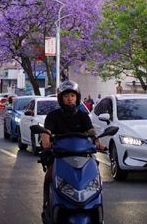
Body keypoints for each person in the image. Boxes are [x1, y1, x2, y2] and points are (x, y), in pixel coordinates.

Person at [39, 81, 106, 210]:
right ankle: (47, 204)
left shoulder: (83, 115)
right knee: (49, 176)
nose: (70, 99)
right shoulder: (53, 116)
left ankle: (96, 206)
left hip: (83, 156)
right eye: (66, 96)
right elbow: (46, 132)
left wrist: (98, 143)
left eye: (72, 95)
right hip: (59, 156)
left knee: (95, 174)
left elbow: (91, 132)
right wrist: (46, 143)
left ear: (77, 97)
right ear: (61, 98)